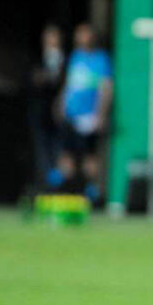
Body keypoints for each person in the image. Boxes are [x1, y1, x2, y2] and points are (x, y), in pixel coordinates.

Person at [55, 23, 113, 203]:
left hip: (89, 117)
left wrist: (100, 114)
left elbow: (106, 88)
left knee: (90, 156)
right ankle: (66, 189)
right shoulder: (75, 57)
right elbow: (69, 84)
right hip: (71, 115)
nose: (81, 38)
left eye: (85, 34)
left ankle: (91, 192)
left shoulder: (101, 59)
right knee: (66, 153)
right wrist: (60, 102)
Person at [27, 24, 66, 187]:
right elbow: (34, 80)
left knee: (58, 149)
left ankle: (58, 185)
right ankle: (43, 184)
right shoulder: (37, 58)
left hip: (59, 113)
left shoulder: (66, 59)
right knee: (41, 150)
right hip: (40, 112)